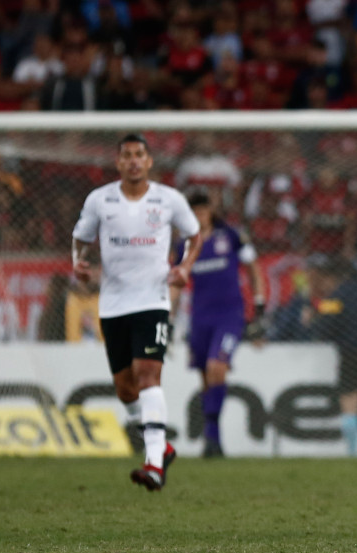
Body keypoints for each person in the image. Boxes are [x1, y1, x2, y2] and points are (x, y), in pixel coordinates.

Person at [72, 133, 201, 491]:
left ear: (149, 162)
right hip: (113, 304)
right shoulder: (100, 200)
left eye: (138, 155)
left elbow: (194, 234)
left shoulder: (168, 199)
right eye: (126, 155)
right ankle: (164, 448)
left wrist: (185, 266)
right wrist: (78, 264)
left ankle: (154, 464)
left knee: (148, 377)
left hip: (153, 300)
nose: (132, 161)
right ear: (118, 163)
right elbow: (80, 239)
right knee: (126, 390)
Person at [170, 191, 267, 458]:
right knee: (204, 375)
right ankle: (213, 439)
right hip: (200, 317)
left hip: (230, 316)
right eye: (195, 212)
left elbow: (254, 269)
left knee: (217, 367)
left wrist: (259, 304)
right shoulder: (185, 247)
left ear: (211, 212)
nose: (200, 216)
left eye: (204, 210)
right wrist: (169, 317)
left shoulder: (232, 237)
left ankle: (212, 435)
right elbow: (177, 283)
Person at [305, 255, 357, 456]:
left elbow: (324, 330)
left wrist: (312, 320)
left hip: (352, 351)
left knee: (350, 401)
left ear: (327, 278)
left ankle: (352, 452)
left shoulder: (334, 299)